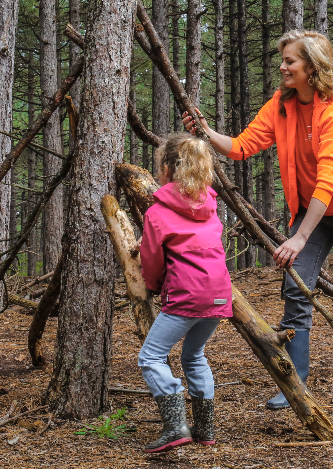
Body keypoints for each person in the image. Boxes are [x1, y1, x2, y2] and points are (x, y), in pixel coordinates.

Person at [183, 30, 333, 412]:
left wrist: (299, 237)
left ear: (312, 67)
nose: (283, 67)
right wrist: (206, 132)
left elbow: (329, 181)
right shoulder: (281, 105)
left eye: (290, 61)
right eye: (283, 60)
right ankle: (296, 384)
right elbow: (242, 146)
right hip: (311, 211)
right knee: (295, 289)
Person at [137, 133, 233, 453]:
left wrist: (153, 286)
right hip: (219, 295)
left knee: (151, 357)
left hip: (186, 296)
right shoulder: (210, 206)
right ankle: (205, 428)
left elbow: (152, 261)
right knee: (193, 355)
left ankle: (176, 426)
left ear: (167, 169)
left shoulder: (157, 213)